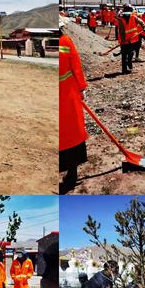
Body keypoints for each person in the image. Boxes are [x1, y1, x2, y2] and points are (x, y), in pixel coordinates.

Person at [59, 18, 88, 194]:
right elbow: (76, 67)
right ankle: (71, 174)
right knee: (72, 132)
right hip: (68, 94)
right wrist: (81, 87)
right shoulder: (66, 41)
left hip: (65, 93)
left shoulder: (65, 42)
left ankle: (69, 173)